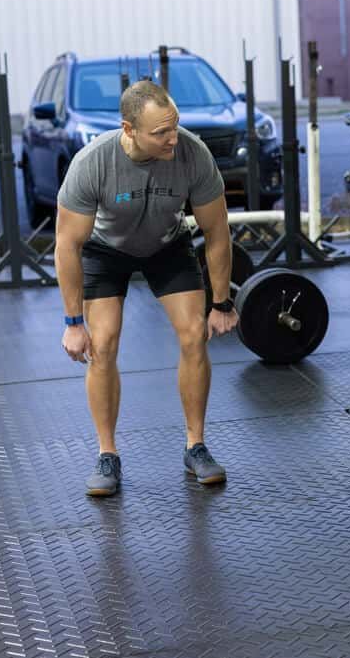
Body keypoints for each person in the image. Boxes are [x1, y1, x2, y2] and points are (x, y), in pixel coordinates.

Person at [55, 80, 237, 496]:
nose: (173, 138)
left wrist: (222, 301)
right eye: (161, 133)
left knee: (194, 335)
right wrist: (72, 322)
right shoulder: (93, 163)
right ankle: (107, 454)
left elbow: (216, 231)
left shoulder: (193, 154)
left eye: (174, 126)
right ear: (129, 129)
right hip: (106, 251)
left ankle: (196, 446)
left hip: (167, 246)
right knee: (102, 343)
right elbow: (68, 244)